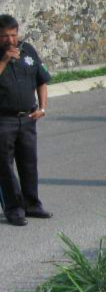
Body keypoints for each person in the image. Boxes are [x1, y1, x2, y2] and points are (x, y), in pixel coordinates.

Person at [0, 14, 52, 226]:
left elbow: (42, 80)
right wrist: (4, 60)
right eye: (5, 36)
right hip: (4, 120)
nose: (10, 40)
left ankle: (32, 204)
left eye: (13, 35)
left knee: (29, 163)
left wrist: (42, 107)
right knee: (4, 166)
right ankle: (14, 209)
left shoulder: (28, 50)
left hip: (28, 117)